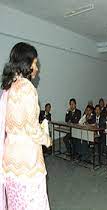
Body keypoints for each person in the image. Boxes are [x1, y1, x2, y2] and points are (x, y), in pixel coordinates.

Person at [1, 42, 51, 209]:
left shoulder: (8, 87)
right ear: (26, 63)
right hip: (27, 162)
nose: (37, 68)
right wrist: (46, 138)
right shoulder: (27, 88)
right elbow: (31, 129)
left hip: (9, 161)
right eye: (35, 63)